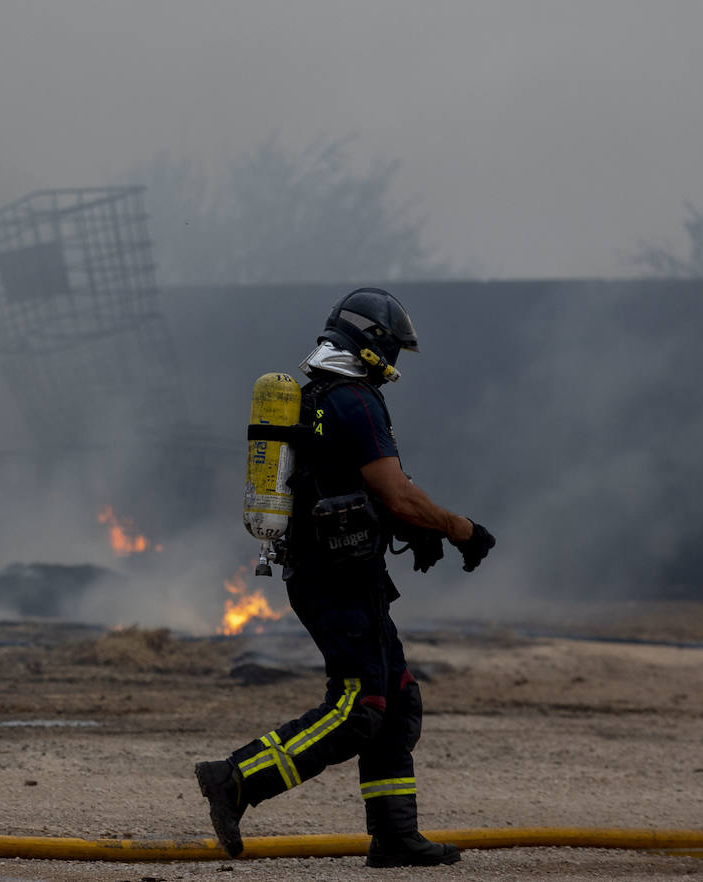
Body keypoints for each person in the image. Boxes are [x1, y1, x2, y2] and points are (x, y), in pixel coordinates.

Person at [196, 288, 495, 868]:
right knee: (360, 705)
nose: (397, 366)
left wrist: (415, 527)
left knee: (398, 701)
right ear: (374, 345)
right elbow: (395, 490)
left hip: (343, 571)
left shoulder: (318, 397)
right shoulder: (356, 401)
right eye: (395, 352)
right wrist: (460, 529)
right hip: (336, 579)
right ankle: (235, 779)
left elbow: (351, 491)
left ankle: (394, 837)